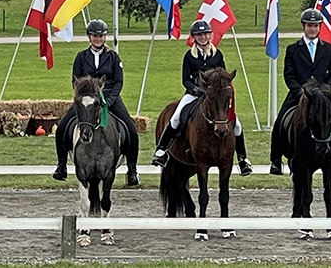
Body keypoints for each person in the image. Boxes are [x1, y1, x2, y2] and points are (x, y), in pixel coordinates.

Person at [151, 20, 252, 176]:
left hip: (214, 97)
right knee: (176, 117)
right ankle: (161, 151)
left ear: (210, 35)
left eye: (205, 34)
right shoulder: (189, 56)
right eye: (199, 35)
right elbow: (185, 79)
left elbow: (223, 75)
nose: (203, 37)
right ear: (194, 37)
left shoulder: (217, 54)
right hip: (194, 94)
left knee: (236, 124)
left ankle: (243, 159)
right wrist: (195, 89)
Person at [52, 19, 141, 187]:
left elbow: (119, 81)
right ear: (89, 37)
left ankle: (132, 170)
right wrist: (84, 99)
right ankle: (61, 166)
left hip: (109, 98)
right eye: (94, 36)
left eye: (101, 36)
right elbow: (75, 81)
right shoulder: (81, 57)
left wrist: (110, 99)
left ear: (105, 37)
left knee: (131, 129)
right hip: (87, 100)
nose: (98, 39)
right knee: (62, 127)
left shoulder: (113, 57)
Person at [269, 8, 331, 175]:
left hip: (323, 96)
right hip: (300, 94)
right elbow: (289, 75)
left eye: (316, 26)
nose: (313, 29)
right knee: (280, 122)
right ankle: (275, 160)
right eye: (310, 25)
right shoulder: (293, 49)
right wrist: (300, 92)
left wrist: (326, 90)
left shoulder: (329, 49)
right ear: (304, 26)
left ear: (320, 27)